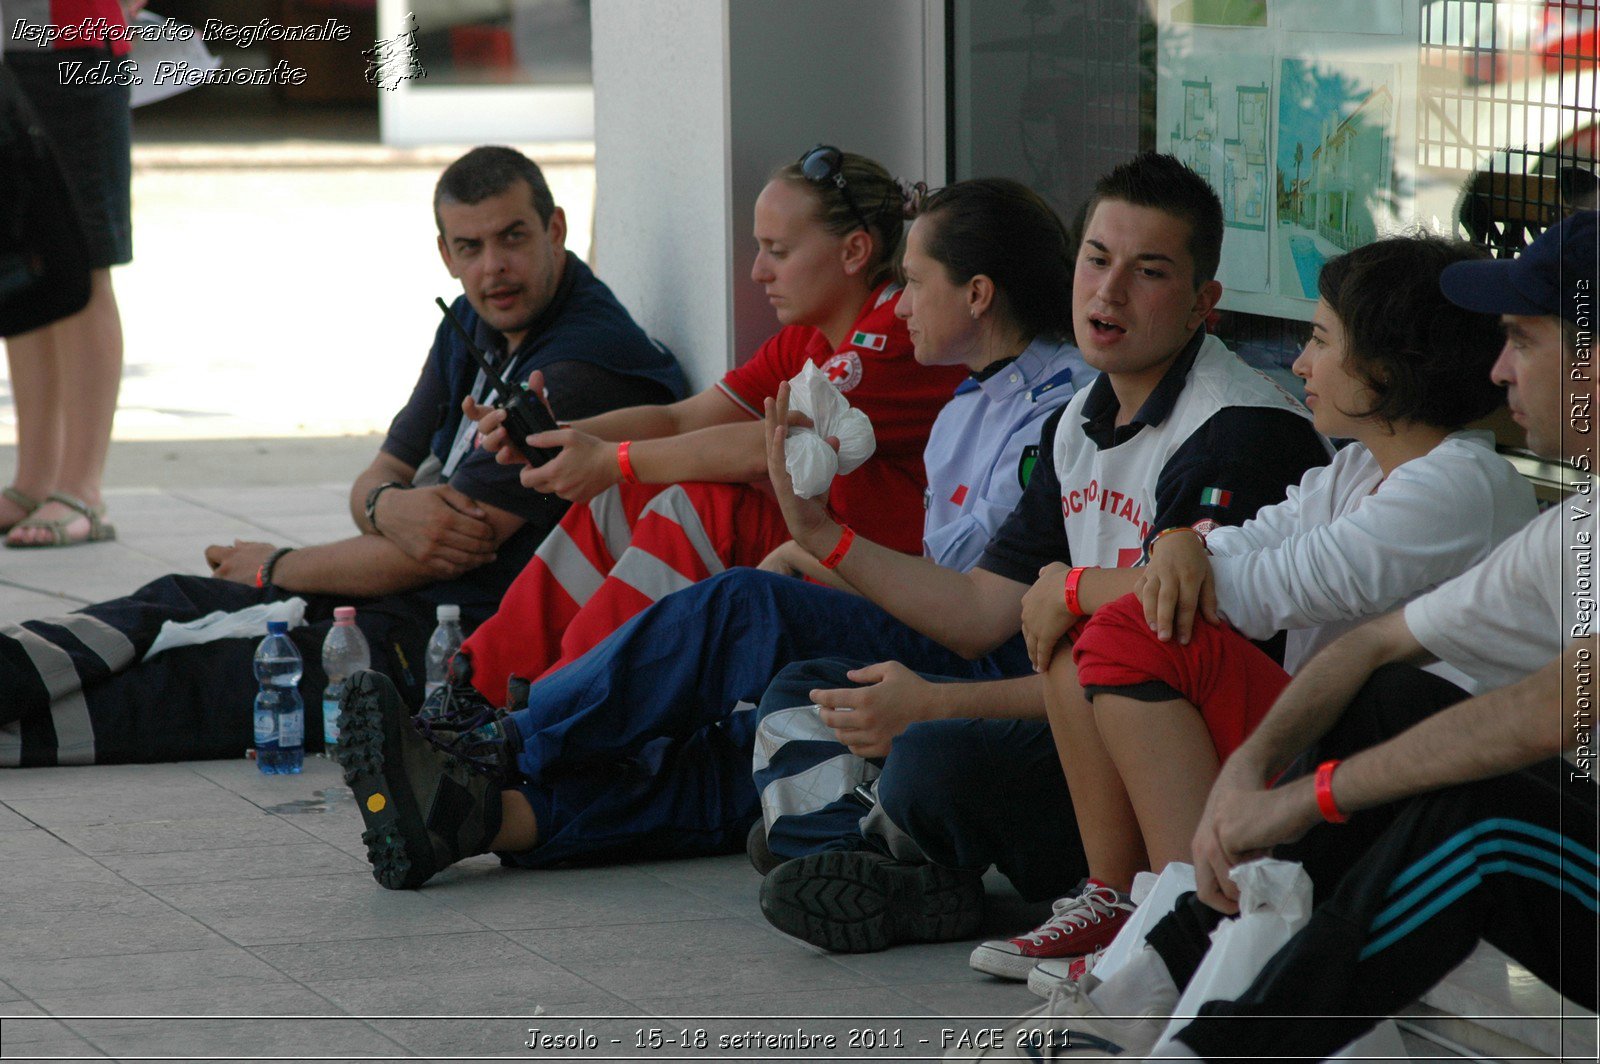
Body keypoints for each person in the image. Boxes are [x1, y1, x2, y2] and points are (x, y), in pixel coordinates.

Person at [957, 210, 1597, 1062]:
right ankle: (1143, 994)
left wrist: (1308, 795)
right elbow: (1370, 647)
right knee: (1382, 699)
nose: (1498, 366)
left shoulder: (1462, 485)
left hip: (1513, 810)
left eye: (1524, 339)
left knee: (1475, 829)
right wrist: (1251, 779)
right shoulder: (1560, 521)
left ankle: (1204, 1043)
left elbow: (1546, 712)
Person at [333, 177, 1094, 888]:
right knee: (746, 728)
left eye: (917, 283)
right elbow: (688, 422)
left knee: (738, 604)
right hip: (936, 623)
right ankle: (485, 813)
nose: (901, 304)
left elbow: (973, 617)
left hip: (997, 667)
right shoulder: (962, 397)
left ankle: (496, 747)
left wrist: (816, 542)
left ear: (978, 294)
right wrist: (579, 446)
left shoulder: (1044, 409)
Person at [749, 153, 1333, 954]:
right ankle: (891, 857)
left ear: (1203, 305)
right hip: (1090, 713)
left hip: (1207, 753)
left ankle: (908, 855)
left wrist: (937, 705)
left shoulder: (1238, 427)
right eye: (1097, 259)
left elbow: (1163, 671)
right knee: (808, 682)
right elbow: (979, 612)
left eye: (1148, 271)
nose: (1110, 290)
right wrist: (822, 535)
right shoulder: (1079, 419)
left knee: (931, 759)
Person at [0, 146, 687, 767]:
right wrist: (389, 506)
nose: (492, 267)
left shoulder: (578, 366)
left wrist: (279, 566)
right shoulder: (477, 318)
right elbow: (380, 477)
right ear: (445, 253)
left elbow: (441, 546)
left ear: (556, 230)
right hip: (410, 601)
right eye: (469, 247)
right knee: (177, 601)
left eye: (513, 238)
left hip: (467, 644)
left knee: (204, 679)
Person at [458, 146, 969, 705]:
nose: (757, 271)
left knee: (696, 509)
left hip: (889, 592)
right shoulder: (812, 336)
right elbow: (681, 418)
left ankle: (545, 715)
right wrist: (560, 435)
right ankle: (472, 690)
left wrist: (615, 460)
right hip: (827, 556)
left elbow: (767, 448)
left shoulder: (891, 337)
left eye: (777, 251)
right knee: (622, 497)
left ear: (853, 251)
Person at [2, 2, 133, 547]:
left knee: (82, 259)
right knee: (21, 262)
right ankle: (33, 481)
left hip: (72, 42)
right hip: (10, 44)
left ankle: (83, 490)